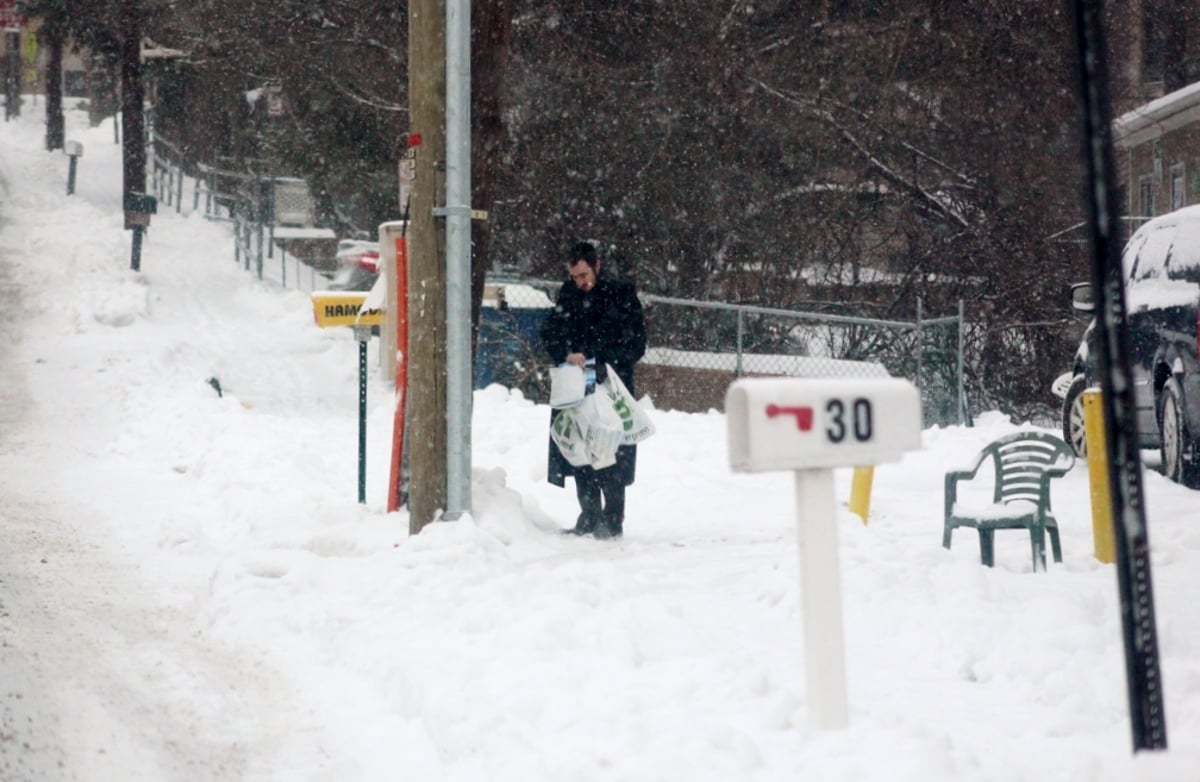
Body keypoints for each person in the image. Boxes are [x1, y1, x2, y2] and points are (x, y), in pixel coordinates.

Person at [540, 241, 646, 539]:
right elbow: (551, 331)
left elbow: (636, 343)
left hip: (611, 385)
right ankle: (589, 513)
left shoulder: (621, 295)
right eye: (575, 276)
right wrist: (565, 353)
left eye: (584, 275)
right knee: (579, 449)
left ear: (597, 266)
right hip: (576, 387)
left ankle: (612, 518)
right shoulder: (569, 295)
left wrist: (604, 362)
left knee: (611, 449)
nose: (580, 282)